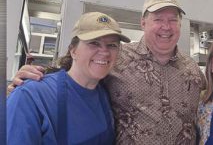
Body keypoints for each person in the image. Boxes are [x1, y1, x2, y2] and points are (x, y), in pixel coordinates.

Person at [8, 0, 206, 145]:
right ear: (143, 23)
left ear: (180, 25)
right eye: (158, 20)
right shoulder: (119, 57)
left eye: (173, 20)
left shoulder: (193, 70)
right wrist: (28, 80)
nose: (166, 26)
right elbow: (75, 71)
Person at [7, 12, 131, 144]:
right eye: (94, 43)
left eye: (112, 45)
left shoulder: (106, 93)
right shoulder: (31, 95)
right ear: (73, 51)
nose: (105, 52)